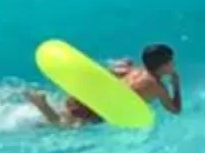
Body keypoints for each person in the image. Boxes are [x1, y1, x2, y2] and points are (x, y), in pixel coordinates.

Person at [29, 45, 182, 127]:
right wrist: (176, 85)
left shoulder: (136, 70)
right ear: (164, 65)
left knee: (57, 118)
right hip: (100, 108)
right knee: (63, 127)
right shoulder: (157, 86)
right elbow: (175, 110)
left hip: (92, 94)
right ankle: (42, 104)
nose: (173, 65)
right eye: (171, 62)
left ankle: (37, 110)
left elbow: (115, 71)